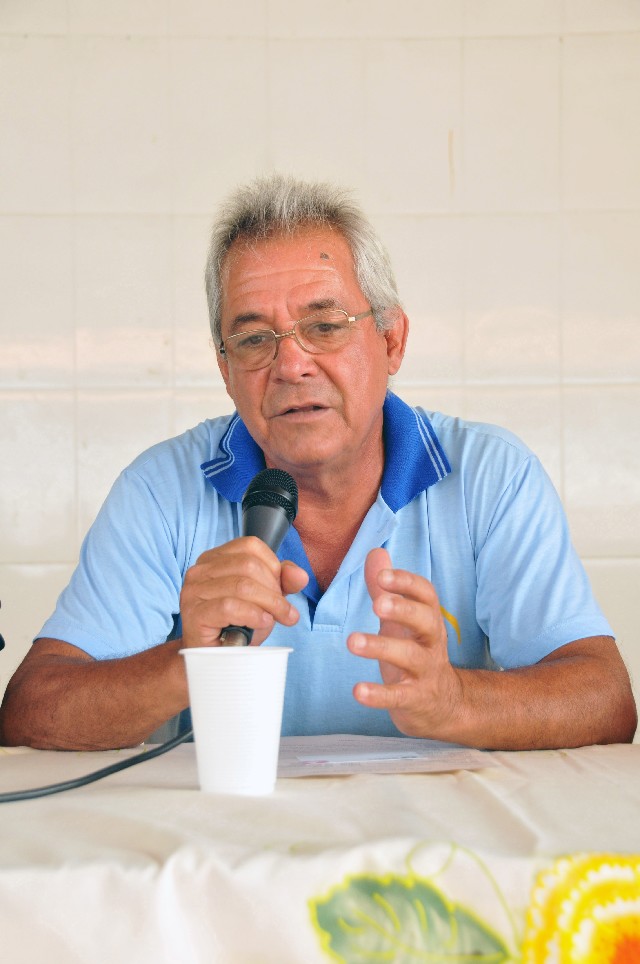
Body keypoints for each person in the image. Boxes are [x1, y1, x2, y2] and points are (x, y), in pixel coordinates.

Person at [0, 174, 636, 752]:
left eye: (325, 327)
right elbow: (29, 713)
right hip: (223, 834)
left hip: (436, 836)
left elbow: (605, 699)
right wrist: (186, 662)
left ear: (391, 341)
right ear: (225, 369)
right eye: (254, 339)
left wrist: (454, 701)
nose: (291, 365)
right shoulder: (161, 489)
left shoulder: (490, 475)